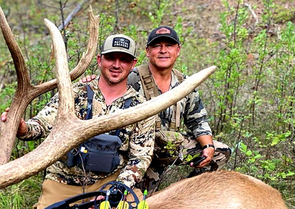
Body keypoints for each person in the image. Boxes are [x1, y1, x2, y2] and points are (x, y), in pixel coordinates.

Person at [2, 34, 156, 209]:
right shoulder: (74, 93)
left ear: (133, 63)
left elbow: (140, 157)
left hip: (108, 182)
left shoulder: (141, 108)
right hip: (64, 181)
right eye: (111, 58)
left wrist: (116, 190)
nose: (117, 65)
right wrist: (23, 128)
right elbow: (41, 124)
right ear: (100, 60)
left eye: (124, 59)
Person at [83, 26, 231, 195]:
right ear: (147, 51)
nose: (163, 51)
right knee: (138, 207)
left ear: (178, 50)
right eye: (157, 46)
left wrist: (208, 146)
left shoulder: (185, 83)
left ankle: (183, 195)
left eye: (168, 45)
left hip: (169, 148)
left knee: (221, 153)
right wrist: (91, 81)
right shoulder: (130, 77)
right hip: (136, 152)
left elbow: (198, 121)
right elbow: (106, 84)